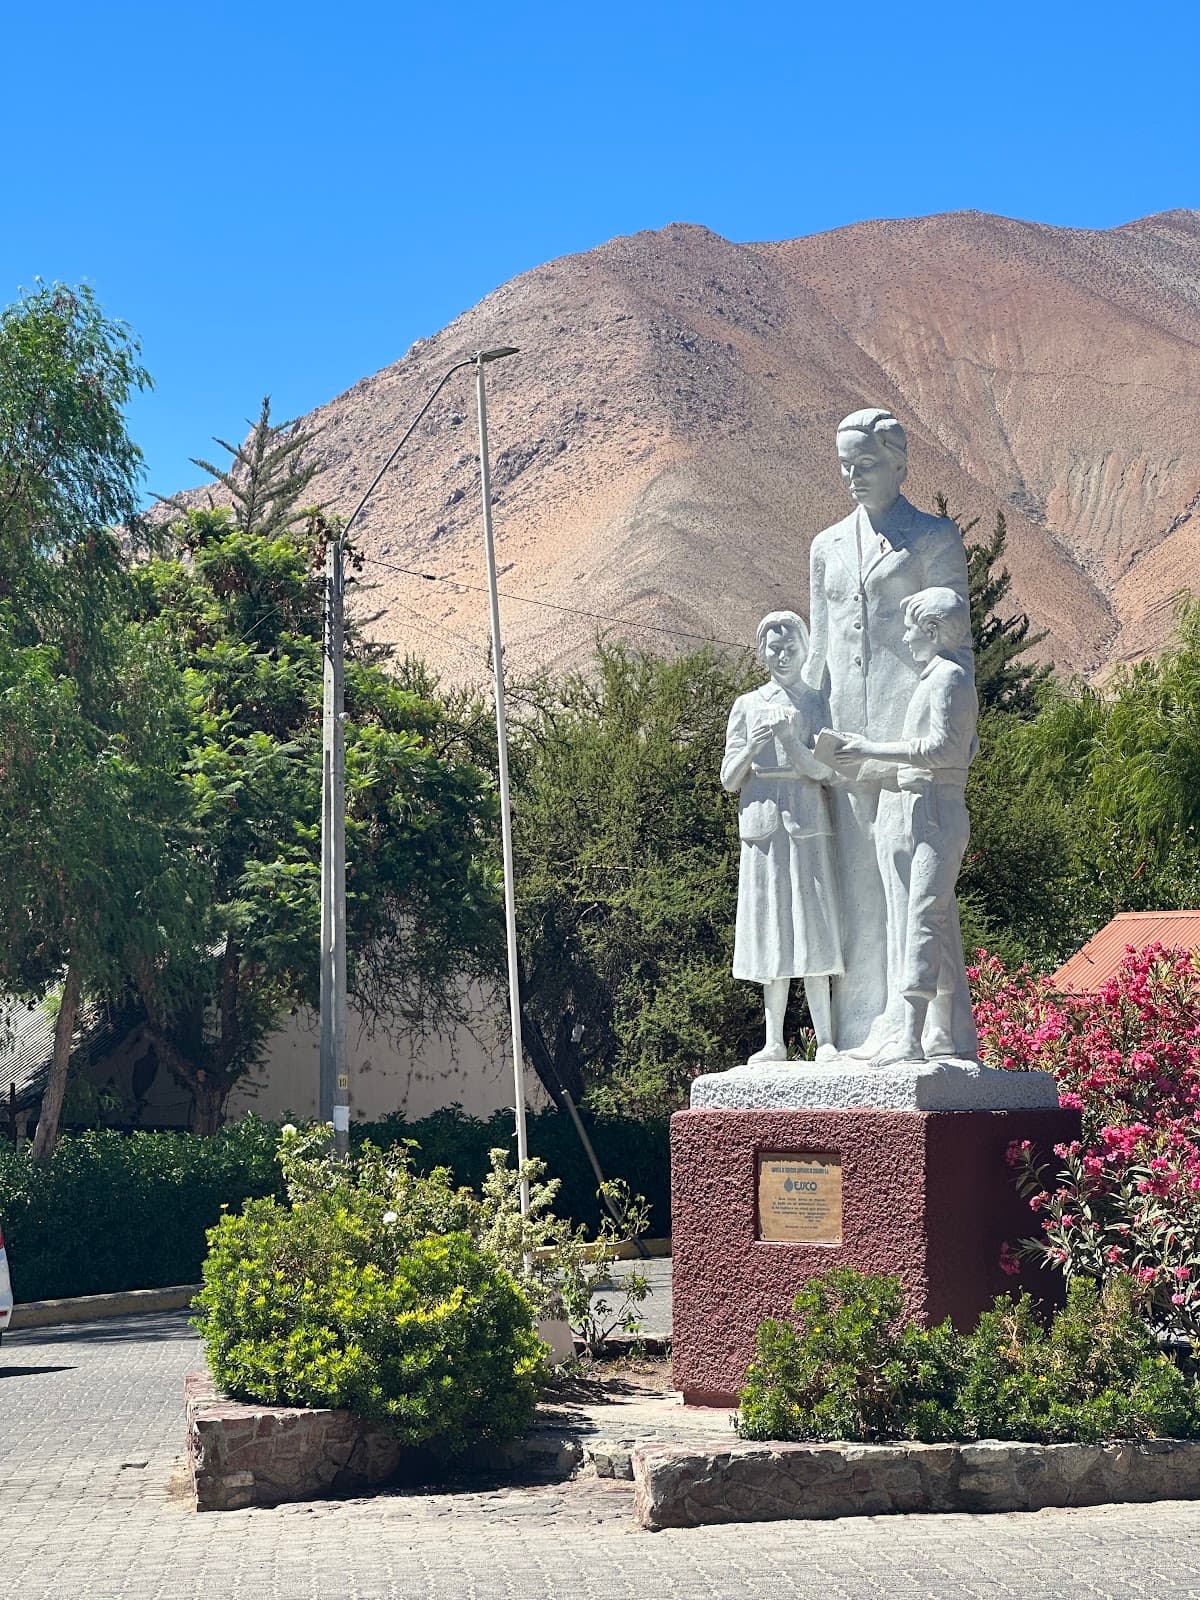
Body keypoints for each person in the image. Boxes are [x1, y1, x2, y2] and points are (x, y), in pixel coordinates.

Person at [803, 407, 971, 1055]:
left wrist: (961, 729)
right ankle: (867, 1020)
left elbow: (957, 641)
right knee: (860, 886)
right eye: (845, 466)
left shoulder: (931, 538)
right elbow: (818, 650)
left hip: (911, 739)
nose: (854, 477)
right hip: (847, 741)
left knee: (916, 889)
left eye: (866, 464)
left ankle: (926, 1027)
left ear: (900, 464)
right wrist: (803, 725)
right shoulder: (826, 547)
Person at [823, 587, 979, 1064]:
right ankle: (940, 1034)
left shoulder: (951, 678)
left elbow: (943, 751)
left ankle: (912, 1035)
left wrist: (871, 748)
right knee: (936, 922)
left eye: (912, 628)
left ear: (932, 630)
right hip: (917, 805)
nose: (906, 637)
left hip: (936, 809)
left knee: (923, 919)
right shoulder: (932, 678)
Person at [722, 610, 842, 1062]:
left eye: (790, 646)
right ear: (761, 653)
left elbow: (826, 770)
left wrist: (791, 741)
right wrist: (754, 745)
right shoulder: (746, 705)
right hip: (762, 824)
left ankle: (825, 1039)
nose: (782, 654)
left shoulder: (815, 702)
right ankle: (774, 1040)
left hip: (806, 819)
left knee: (814, 927)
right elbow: (730, 778)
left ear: (804, 648)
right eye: (774, 647)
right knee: (770, 928)